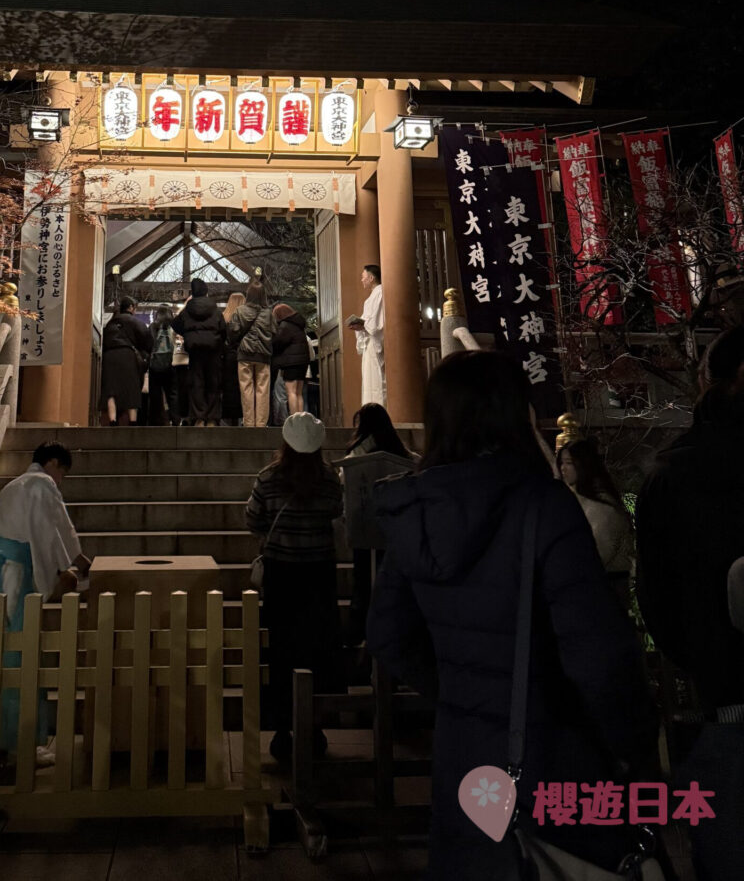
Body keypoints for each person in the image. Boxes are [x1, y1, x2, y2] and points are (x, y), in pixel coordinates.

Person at [368, 351, 658, 880]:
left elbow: (388, 633)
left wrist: (463, 692)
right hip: (551, 747)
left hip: (463, 751)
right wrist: (637, 757)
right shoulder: (544, 505)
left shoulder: (416, 512)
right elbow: (600, 656)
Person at [0, 443, 91, 752]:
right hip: (14, 571)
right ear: (53, 463)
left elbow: (50, 530)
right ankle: (15, 739)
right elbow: (50, 531)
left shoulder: (14, 485)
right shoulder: (42, 484)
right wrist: (68, 566)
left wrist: (69, 561)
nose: (61, 480)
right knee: (16, 650)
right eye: (62, 472)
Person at [636, 325, 744, 711]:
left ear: (704, 381)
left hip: (721, 684)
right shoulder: (674, 475)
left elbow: (657, 595)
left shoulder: (671, 475)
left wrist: (702, 661)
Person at [246, 412, 343, 763]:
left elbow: (252, 518)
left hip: (281, 573)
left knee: (282, 648)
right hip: (318, 573)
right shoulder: (329, 480)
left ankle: (282, 726)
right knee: (317, 648)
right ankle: (315, 725)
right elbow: (338, 512)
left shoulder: (268, 477)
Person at [343, 403, 415, 646]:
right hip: (397, 533)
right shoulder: (403, 455)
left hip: (364, 530)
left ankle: (360, 636)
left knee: (363, 586)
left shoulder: (358, 456)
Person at [557, 438, 635, 610]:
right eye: (562, 463)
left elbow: (598, 555)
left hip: (603, 588)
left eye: (569, 463)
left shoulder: (602, 508)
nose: (563, 468)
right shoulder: (576, 500)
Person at [172, 278, 226, 426]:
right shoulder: (215, 309)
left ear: (193, 293)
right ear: (206, 292)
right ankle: (212, 419)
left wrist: (187, 334)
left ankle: (199, 418)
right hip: (213, 351)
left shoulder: (188, 310)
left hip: (195, 351)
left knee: (197, 384)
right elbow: (223, 329)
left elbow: (175, 324)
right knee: (213, 383)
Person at [100, 295, 153, 426]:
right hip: (127, 355)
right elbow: (147, 340)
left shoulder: (110, 323)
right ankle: (132, 421)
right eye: (135, 308)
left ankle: (112, 420)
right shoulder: (135, 322)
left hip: (109, 356)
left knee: (111, 390)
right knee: (131, 388)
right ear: (130, 307)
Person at [229, 281, 275, 428]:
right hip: (263, 355)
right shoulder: (269, 313)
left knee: (246, 389)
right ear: (263, 295)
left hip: (244, 354)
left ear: (248, 295)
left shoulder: (239, 311)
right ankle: (261, 424)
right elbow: (275, 333)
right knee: (263, 390)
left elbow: (233, 332)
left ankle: (249, 424)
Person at [348, 265, 385, 406]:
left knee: (378, 382)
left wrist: (363, 326)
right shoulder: (369, 298)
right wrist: (360, 326)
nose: (362, 280)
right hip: (369, 344)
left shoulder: (380, 293)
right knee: (369, 382)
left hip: (375, 342)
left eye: (363, 277)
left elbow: (376, 324)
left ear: (371, 278)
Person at [271, 302, 309, 416]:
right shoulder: (299, 325)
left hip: (290, 363)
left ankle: (294, 419)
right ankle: (300, 418)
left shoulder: (285, 325)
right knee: (299, 393)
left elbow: (278, 343)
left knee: (291, 392)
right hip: (303, 362)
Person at [148, 304, 179, 426]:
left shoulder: (153, 327)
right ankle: (175, 421)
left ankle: (157, 422)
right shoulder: (173, 327)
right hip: (170, 364)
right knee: (172, 394)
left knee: (155, 394)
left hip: (155, 365)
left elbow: (148, 344)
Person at [220, 292, 246, 425]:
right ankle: (241, 416)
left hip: (227, 358)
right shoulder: (245, 318)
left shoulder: (224, 317)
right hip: (243, 355)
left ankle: (227, 416)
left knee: (228, 387)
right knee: (242, 386)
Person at [171, 331, 190, 426]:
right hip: (184, 362)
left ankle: (180, 418)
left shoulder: (173, 329)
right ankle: (183, 417)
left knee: (178, 393)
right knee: (183, 392)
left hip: (177, 362)